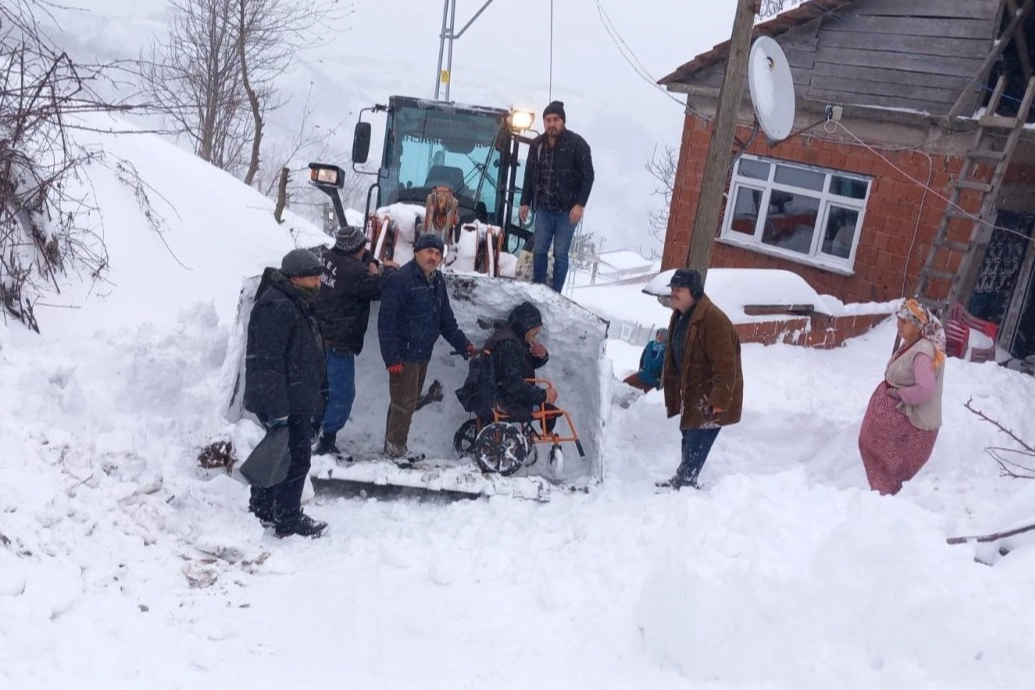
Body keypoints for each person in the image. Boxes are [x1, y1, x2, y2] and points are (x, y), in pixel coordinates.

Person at [243, 248, 328, 538]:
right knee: (296, 458)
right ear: (295, 278)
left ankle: (263, 508)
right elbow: (268, 363)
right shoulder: (276, 307)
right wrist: (278, 409)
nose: (319, 283)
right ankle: (287, 518)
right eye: (314, 278)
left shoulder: (296, 302)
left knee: (279, 453)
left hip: (295, 396)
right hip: (283, 399)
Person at [378, 232, 476, 461]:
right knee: (403, 404)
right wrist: (391, 358)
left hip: (422, 353)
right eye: (429, 251)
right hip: (404, 354)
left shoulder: (437, 281)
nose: (433, 257)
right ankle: (395, 452)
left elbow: (446, 321)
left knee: (404, 403)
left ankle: (394, 447)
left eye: (437, 253)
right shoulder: (402, 279)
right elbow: (386, 321)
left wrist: (465, 346)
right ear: (417, 252)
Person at [313, 226, 398, 459]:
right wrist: (387, 269)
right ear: (354, 250)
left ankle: (312, 430)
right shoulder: (354, 272)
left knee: (322, 390)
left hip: (321, 334)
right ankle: (326, 440)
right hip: (339, 340)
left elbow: (362, 261)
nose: (365, 251)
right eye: (363, 248)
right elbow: (380, 287)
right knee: (342, 396)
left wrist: (369, 259)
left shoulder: (330, 256)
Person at [658, 269, 743, 490]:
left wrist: (720, 399)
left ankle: (685, 483)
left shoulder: (714, 320)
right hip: (693, 393)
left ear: (694, 292)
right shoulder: (680, 315)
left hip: (710, 397)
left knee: (697, 439)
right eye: (672, 289)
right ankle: (682, 480)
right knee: (688, 436)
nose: (674, 293)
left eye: (679, 289)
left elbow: (726, 364)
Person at [858, 299, 945, 495]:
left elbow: (924, 390)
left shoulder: (923, 352)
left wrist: (897, 394)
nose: (899, 324)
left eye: (904, 321)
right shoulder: (912, 345)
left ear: (917, 326)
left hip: (912, 429)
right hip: (901, 426)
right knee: (882, 468)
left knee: (890, 472)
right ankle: (881, 494)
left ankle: (884, 499)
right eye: (898, 320)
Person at [518, 100, 595, 293]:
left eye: (555, 119)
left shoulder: (577, 144)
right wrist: (525, 202)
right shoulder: (537, 145)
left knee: (561, 253)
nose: (551, 124)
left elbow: (588, 176)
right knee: (540, 250)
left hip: (567, 212)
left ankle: (555, 294)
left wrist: (580, 205)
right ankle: (538, 288)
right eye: (547, 120)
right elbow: (529, 174)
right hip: (544, 208)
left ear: (563, 121)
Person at [484, 301, 558, 429]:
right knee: (551, 410)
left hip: (507, 395)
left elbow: (522, 366)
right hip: (506, 401)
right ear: (525, 327)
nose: (535, 339)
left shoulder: (514, 340)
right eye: (534, 334)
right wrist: (543, 395)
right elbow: (512, 383)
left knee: (550, 408)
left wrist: (542, 356)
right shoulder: (507, 346)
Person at [624, 328, 667, 392]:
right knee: (625, 384)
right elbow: (642, 358)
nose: (660, 336)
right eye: (658, 334)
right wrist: (640, 369)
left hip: (654, 381)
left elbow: (666, 368)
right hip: (643, 375)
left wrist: (659, 378)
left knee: (644, 397)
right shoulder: (650, 344)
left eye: (663, 335)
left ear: (666, 338)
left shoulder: (666, 350)